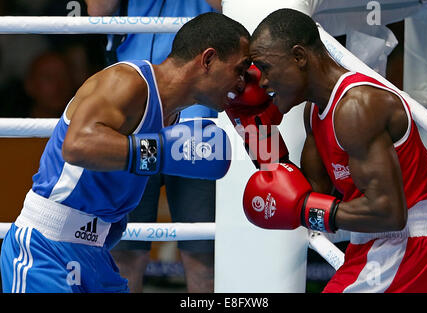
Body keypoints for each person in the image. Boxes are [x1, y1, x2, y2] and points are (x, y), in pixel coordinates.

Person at [0, 12, 251, 293]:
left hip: (95, 256)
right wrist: (161, 152)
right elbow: (77, 145)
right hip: (46, 251)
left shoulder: (172, 117)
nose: (242, 83)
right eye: (239, 69)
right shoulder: (127, 81)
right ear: (208, 59)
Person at [243, 8, 427, 293]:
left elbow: (388, 212)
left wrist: (306, 208)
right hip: (374, 247)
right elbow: (304, 195)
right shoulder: (314, 112)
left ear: (299, 56)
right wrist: (256, 132)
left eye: (265, 67)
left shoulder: (357, 108)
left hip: (407, 248)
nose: (263, 81)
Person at [85, 0, 223, 293]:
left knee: (204, 258)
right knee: (123, 254)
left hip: (197, 122)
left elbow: (233, 8)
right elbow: (97, 9)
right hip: (132, 118)